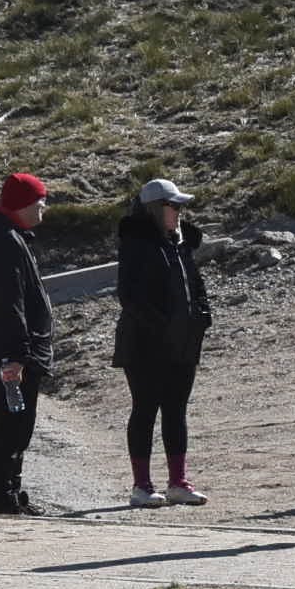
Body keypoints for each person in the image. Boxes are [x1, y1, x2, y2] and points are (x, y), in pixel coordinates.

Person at [113, 177, 212, 508]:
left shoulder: (180, 245)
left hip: (182, 344)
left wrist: (201, 316)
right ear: (157, 209)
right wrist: (160, 326)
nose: (180, 212)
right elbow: (129, 297)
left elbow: (196, 286)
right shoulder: (136, 244)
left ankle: (177, 482)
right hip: (144, 346)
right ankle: (141, 486)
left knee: (176, 411)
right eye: (174, 206)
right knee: (145, 410)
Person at [0, 170, 55, 517]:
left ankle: (13, 491)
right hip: (15, 353)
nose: (44, 208)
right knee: (11, 422)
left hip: (20, 350)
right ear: (22, 205)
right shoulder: (5, 241)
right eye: (40, 202)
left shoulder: (13, 237)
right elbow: (11, 303)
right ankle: (2, 497)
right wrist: (17, 354)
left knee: (20, 422)